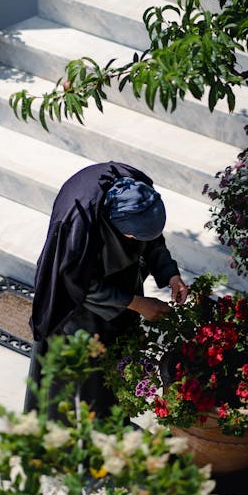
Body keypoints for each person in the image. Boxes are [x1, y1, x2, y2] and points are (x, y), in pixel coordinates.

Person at [24, 160, 188, 417]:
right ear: (117, 226)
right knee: (78, 367)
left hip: (117, 286)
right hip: (75, 301)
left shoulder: (139, 194)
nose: (137, 242)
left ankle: (107, 419)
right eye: (134, 237)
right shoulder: (78, 225)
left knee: (113, 365)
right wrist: (136, 303)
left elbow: (152, 241)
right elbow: (78, 284)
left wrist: (171, 274)